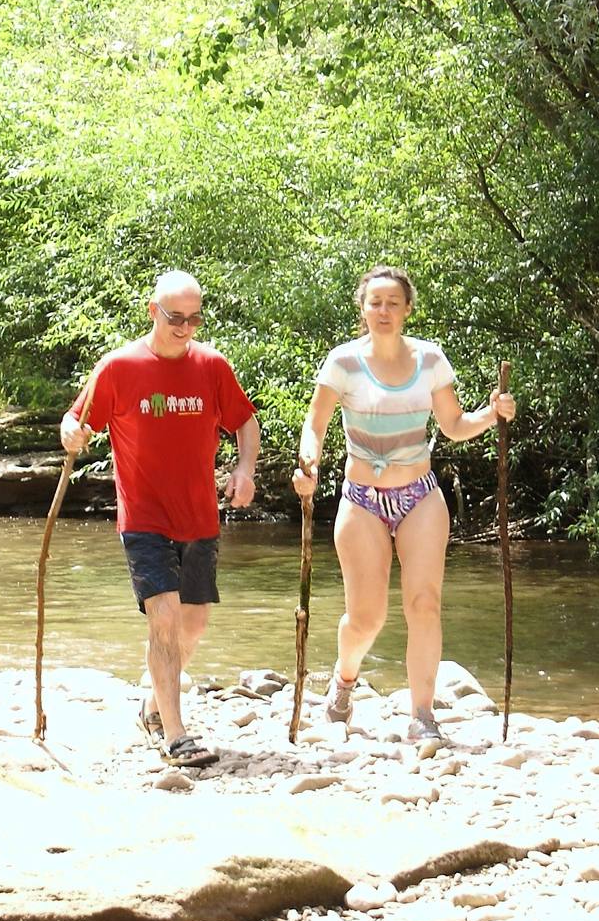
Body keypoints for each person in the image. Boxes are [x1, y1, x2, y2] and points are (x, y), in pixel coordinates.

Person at [293, 265, 516, 743]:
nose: (384, 311)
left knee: (424, 603)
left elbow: (454, 425)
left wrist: (492, 413)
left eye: (394, 302)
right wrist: (308, 463)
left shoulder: (431, 360)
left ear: (408, 309)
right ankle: (343, 685)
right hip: (361, 500)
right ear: (363, 308)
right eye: (375, 302)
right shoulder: (343, 362)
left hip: (420, 496)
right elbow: (316, 426)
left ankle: (422, 714)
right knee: (366, 616)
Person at [60, 270, 260, 766]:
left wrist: (245, 468)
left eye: (195, 319)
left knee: (193, 624)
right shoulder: (119, 368)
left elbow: (245, 422)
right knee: (165, 620)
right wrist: (71, 433)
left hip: (199, 518)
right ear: (153, 312)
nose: (187, 328)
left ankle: (152, 705)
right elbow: (77, 418)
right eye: (176, 318)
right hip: (144, 517)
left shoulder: (212, 366)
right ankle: (176, 736)